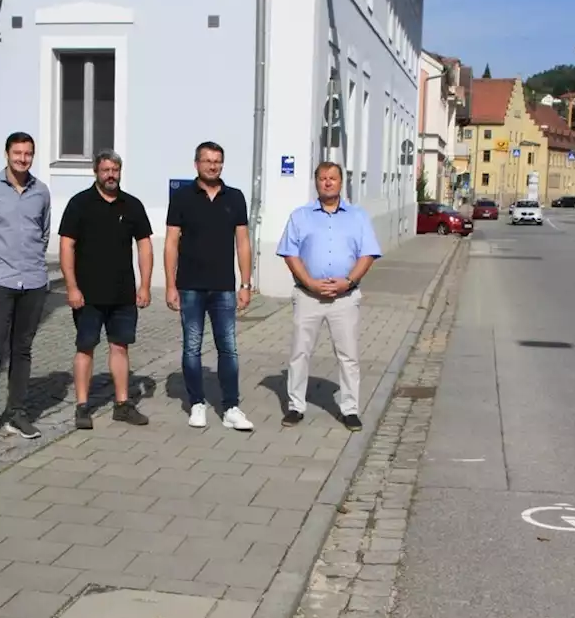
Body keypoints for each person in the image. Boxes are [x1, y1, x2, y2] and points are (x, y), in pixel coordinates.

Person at [275, 161, 382, 431]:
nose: (327, 182)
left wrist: (349, 281)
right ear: (316, 182)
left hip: (344, 298)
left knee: (348, 355)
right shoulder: (300, 216)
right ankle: (295, 406)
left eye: (332, 178)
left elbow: (367, 254)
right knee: (300, 352)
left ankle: (350, 409)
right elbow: (290, 253)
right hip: (308, 296)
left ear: (340, 182)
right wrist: (309, 282)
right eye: (322, 178)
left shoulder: (357, 217)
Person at [59, 150, 154, 430]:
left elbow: (145, 245)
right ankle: (82, 406)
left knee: (120, 346)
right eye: (105, 170)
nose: (110, 175)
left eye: (115, 169)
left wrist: (145, 285)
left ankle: (123, 405)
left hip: (122, 293)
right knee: (85, 347)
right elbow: (67, 246)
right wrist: (72, 287)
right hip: (87, 294)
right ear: (95, 172)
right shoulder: (80, 204)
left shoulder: (132, 205)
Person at [164, 141, 255, 431]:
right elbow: (171, 242)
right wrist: (169, 284)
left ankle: (231, 407)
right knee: (192, 348)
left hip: (224, 287)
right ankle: (197, 403)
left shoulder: (236, 197)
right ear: (196, 164)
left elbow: (242, 242)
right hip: (190, 286)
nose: (213, 166)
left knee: (228, 348)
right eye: (207, 161)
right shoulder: (182, 197)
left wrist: (245, 283)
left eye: (218, 161)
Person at [0, 132, 52, 442]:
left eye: (28, 153)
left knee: (22, 350)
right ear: (6, 154)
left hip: (32, 281)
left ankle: (17, 413)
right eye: (17, 153)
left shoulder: (41, 192)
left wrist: (30, 263)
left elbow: (43, 234)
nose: (23, 159)